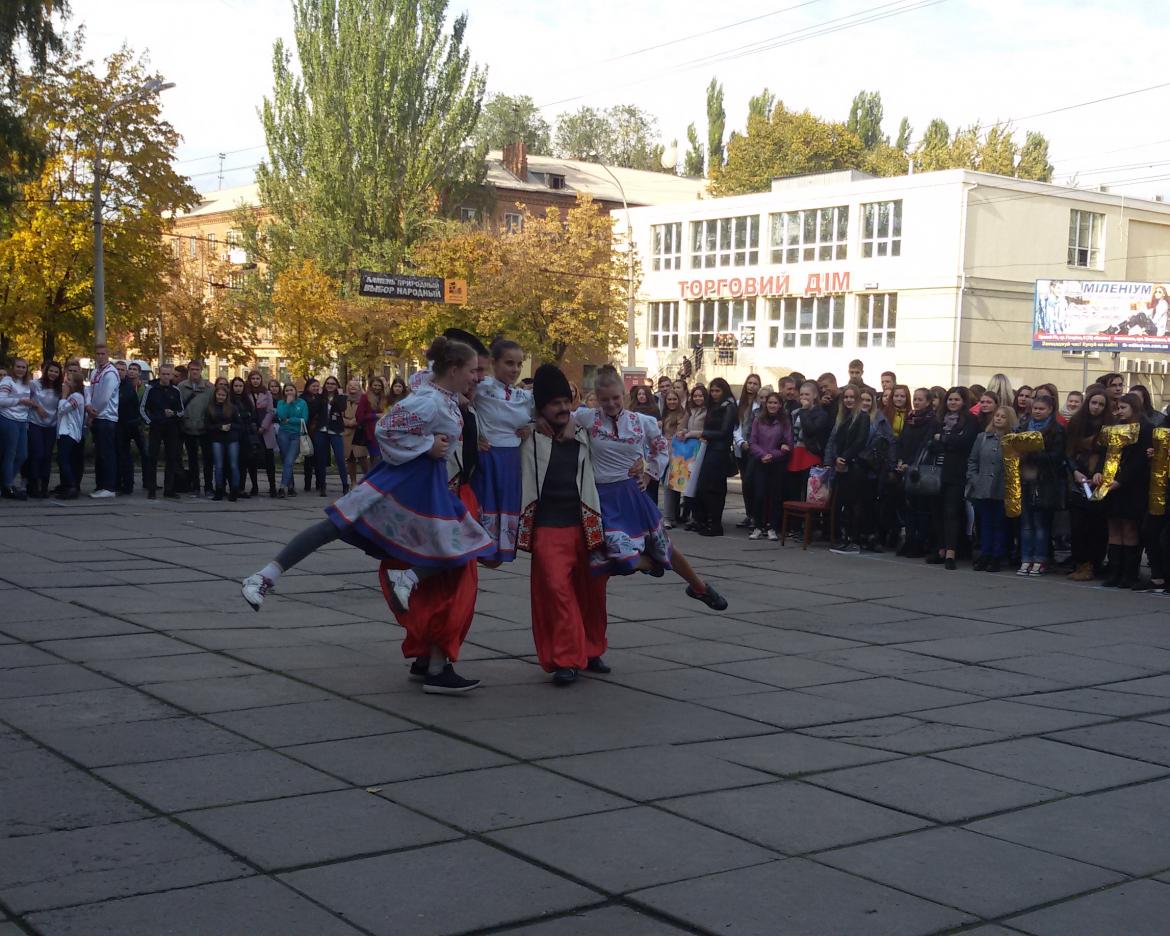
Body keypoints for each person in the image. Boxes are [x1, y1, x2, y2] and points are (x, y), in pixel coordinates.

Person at [243, 336, 493, 694]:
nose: (475, 377)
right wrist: (428, 445)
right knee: (337, 525)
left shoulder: (438, 392)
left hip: (426, 483)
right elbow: (386, 428)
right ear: (453, 370)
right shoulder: (429, 401)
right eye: (471, 371)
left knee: (463, 544)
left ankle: (407, 578)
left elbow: (427, 382)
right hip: (406, 480)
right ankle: (263, 577)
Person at [570, 365, 727, 609]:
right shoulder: (586, 418)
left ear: (624, 395)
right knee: (618, 554)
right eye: (604, 399)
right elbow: (555, 419)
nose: (611, 403)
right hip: (601, 498)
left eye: (615, 397)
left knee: (664, 546)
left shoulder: (641, 421)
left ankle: (699, 587)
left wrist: (648, 472)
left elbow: (661, 447)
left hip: (632, 494)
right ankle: (649, 564)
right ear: (597, 398)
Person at [519, 364, 611, 685]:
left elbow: (619, 423)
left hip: (587, 524)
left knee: (592, 592)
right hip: (547, 526)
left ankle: (592, 649)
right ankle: (566, 658)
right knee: (556, 591)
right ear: (541, 406)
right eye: (554, 403)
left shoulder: (583, 432)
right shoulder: (527, 435)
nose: (562, 408)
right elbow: (492, 408)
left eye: (565, 402)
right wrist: (531, 420)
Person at [472, 338, 533, 564]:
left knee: (506, 506)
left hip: (511, 460)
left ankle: (501, 549)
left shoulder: (523, 396)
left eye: (519, 364)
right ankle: (482, 548)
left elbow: (547, 414)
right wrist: (473, 434)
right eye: (509, 363)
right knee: (486, 504)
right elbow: (457, 404)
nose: (515, 369)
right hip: (488, 457)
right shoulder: (481, 387)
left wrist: (531, 427)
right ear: (494, 362)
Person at [1101, 392, 1152, 589]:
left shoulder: (1145, 429)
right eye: (1118, 408)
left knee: (1129, 528)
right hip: (1112, 483)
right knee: (1113, 526)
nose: (1119, 411)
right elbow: (1106, 453)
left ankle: (1129, 574)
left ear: (1134, 407)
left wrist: (1121, 481)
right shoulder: (1115, 427)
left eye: (1123, 408)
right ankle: (1114, 572)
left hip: (1133, 486)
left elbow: (1140, 460)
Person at [925, 388, 978, 569]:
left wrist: (943, 439)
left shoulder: (970, 420)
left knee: (951, 511)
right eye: (950, 399)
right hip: (936, 472)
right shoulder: (938, 419)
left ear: (963, 402)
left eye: (956, 399)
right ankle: (940, 548)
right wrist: (947, 441)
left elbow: (965, 442)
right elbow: (930, 443)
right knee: (936, 511)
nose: (952, 403)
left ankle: (951, 552)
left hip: (956, 472)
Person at [1016, 393, 1066, 576]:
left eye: (1041, 409)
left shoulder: (1056, 430)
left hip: (1044, 482)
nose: (1037, 411)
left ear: (1050, 410)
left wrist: (1031, 454)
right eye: (1035, 408)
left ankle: (1040, 559)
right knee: (1026, 524)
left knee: (1040, 524)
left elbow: (1057, 457)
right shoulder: (1023, 427)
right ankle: (1025, 558)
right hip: (1025, 479)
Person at [1065, 385, 1111, 581]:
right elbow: (1068, 452)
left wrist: (1100, 471)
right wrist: (1075, 470)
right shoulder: (1076, 422)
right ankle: (1080, 563)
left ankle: (1093, 564)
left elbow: (1110, 454)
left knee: (1096, 527)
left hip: (1099, 480)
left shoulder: (1109, 425)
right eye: (1094, 403)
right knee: (1077, 526)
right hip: (1078, 479)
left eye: (1101, 404)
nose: (1096, 407)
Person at [686, 377, 737, 536]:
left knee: (714, 489)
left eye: (717, 391)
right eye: (712, 391)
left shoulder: (728, 406)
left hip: (719, 451)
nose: (714, 394)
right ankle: (705, 520)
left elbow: (724, 432)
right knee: (704, 487)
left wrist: (702, 433)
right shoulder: (715, 405)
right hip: (710, 448)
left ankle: (715, 524)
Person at [967, 405, 1015, 572]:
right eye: (997, 416)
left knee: (1000, 524)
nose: (999, 419)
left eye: (1003, 416)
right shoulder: (982, 437)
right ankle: (985, 553)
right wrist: (974, 479)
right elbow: (973, 460)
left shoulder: (1013, 440)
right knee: (985, 523)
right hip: (983, 487)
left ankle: (997, 555)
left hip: (1002, 488)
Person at [826, 385, 871, 554]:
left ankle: (853, 540)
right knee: (842, 504)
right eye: (846, 397)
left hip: (854, 466)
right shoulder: (841, 417)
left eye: (852, 397)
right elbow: (835, 441)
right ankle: (844, 538)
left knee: (854, 504)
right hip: (841, 466)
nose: (849, 400)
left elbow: (860, 441)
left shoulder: (863, 417)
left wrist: (844, 458)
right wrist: (836, 458)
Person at [748, 392, 792, 541]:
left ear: (780, 405)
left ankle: (772, 527)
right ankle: (758, 526)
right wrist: (762, 455)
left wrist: (772, 455)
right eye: (770, 402)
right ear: (765, 404)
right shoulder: (758, 420)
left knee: (775, 496)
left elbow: (788, 444)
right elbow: (752, 442)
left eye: (775, 403)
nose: (772, 405)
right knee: (759, 495)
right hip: (760, 462)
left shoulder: (784, 422)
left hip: (777, 463)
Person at [140, 363, 184, 500]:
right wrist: (150, 421)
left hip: (171, 428)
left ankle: (169, 489)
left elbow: (182, 411)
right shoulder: (151, 389)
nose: (165, 377)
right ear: (159, 374)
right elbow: (142, 408)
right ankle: (151, 488)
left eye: (168, 374)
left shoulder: (176, 391)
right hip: (156, 427)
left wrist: (174, 413)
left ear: (171, 375)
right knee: (152, 457)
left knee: (171, 457)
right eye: (163, 374)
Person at [86, 343, 120, 498]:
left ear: (108, 355)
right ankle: (100, 485)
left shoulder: (110, 373)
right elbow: (90, 391)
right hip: (97, 416)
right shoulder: (95, 372)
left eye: (103, 354)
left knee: (107, 453)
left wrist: (92, 414)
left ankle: (109, 487)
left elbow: (104, 398)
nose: (100, 356)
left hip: (106, 417)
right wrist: (88, 406)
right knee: (99, 454)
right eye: (98, 354)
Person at [0, 357, 37, 499]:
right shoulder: (7, 381)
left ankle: (5, 482)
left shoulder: (27, 383)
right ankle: (7, 485)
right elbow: (1, 400)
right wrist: (20, 400)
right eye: (18, 367)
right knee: (10, 454)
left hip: (22, 421)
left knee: (22, 454)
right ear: (13, 367)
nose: (21, 370)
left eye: (24, 367)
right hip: (8, 419)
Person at [177, 361, 214, 497]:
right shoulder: (181, 387)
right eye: (192, 369)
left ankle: (208, 487)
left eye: (197, 369)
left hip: (204, 428)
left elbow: (213, 407)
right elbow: (179, 406)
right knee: (192, 460)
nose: (194, 372)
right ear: (188, 370)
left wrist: (208, 422)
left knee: (208, 459)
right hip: (188, 427)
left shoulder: (209, 388)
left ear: (201, 370)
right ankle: (195, 486)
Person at [27, 361, 61, 499]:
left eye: (56, 372)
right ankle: (33, 485)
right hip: (35, 423)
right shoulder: (35, 384)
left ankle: (44, 487)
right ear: (46, 371)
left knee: (47, 456)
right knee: (38, 454)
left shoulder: (60, 388)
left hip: (51, 426)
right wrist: (37, 407)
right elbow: (25, 398)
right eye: (51, 371)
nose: (53, 374)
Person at [733, 373, 762, 530]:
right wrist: (740, 442)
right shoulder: (739, 404)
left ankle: (756, 516)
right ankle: (749, 514)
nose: (751, 386)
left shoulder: (760, 404)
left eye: (755, 383)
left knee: (753, 482)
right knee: (745, 482)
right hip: (741, 448)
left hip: (755, 449)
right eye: (749, 383)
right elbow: (736, 426)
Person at [311, 375, 349, 497]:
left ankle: (345, 484)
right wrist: (318, 396)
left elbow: (342, 407)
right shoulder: (320, 397)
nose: (330, 385)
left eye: (332, 384)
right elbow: (314, 410)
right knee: (321, 459)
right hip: (321, 430)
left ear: (336, 385)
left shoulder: (340, 397)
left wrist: (340, 395)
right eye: (328, 383)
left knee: (340, 458)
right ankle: (322, 485)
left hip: (335, 430)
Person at [206, 382, 242, 501]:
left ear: (227, 396)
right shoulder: (210, 408)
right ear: (215, 395)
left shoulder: (232, 408)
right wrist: (219, 427)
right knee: (219, 465)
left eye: (223, 395)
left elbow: (239, 425)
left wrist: (230, 426)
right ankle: (219, 490)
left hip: (232, 439)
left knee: (233, 465)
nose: (220, 397)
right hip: (217, 439)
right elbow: (207, 425)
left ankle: (234, 490)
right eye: (219, 395)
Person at [116, 361, 147, 495]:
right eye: (130, 369)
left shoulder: (143, 388)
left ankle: (147, 481)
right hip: (123, 424)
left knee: (145, 453)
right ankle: (124, 483)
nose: (131, 371)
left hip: (136, 423)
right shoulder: (121, 385)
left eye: (134, 369)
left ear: (139, 373)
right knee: (123, 454)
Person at [244, 371, 277, 497]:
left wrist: (263, 426)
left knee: (269, 460)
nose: (255, 381)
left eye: (258, 378)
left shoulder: (266, 393)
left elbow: (270, 411)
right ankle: (255, 486)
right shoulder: (246, 393)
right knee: (252, 459)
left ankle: (272, 487)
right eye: (253, 378)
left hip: (266, 430)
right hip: (251, 429)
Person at [54, 372, 86, 499]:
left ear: (76, 384)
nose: (66, 382)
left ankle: (72, 486)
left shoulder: (76, 397)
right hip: (64, 432)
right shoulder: (72, 396)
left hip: (70, 432)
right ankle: (67, 485)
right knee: (64, 460)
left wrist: (63, 396)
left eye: (69, 380)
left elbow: (62, 409)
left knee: (63, 459)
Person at [275, 383, 308, 497]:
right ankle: (290, 486)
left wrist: (290, 420)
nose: (289, 392)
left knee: (289, 460)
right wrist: (287, 404)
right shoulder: (281, 403)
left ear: (295, 391)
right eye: (287, 390)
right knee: (286, 461)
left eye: (291, 390)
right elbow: (281, 416)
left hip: (296, 435)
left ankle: (282, 487)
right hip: (283, 434)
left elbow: (304, 419)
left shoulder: (302, 403)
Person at [230, 377, 259, 500]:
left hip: (247, 434)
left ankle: (243, 487)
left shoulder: (247, 400)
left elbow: (253, 416)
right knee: (236, 463)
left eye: (240, 386)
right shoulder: (230, 400)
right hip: (234, 434)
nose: (238, 388)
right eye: (236, 386)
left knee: (246, 462)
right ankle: (235, 487)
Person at [660, 389, 686, 528]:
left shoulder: (682, 415)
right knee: (672, 485)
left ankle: (668, 518)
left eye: (674, 399)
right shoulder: (664, 414)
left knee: (670, 485)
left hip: (677, 452)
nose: (672, 402)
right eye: (669, 399)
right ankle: (674, 516)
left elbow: (681, 432)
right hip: (663, 451)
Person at [343, 378, 368, 489]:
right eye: (350, 385)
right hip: (347, 432)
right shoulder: (343, 400)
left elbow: (367, 414)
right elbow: (338, 415)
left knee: (362, 457)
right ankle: (353, 482)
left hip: (360, 432)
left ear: (359, 388)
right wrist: (347, 422)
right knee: (350, 458)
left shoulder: (364, 400)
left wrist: (356, 421)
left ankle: (368, 480)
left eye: (355, 385)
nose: (352, 387)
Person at [301, 378, 322, 493]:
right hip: (307, 429)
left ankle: (319, 483)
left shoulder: (320, 398)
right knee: (308, 456)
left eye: (317, 386)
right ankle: (307, 484)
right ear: (308, 386)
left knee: (319, 457)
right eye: (313, 386)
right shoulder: (303, 398)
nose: (316, 388)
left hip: (318, 430)